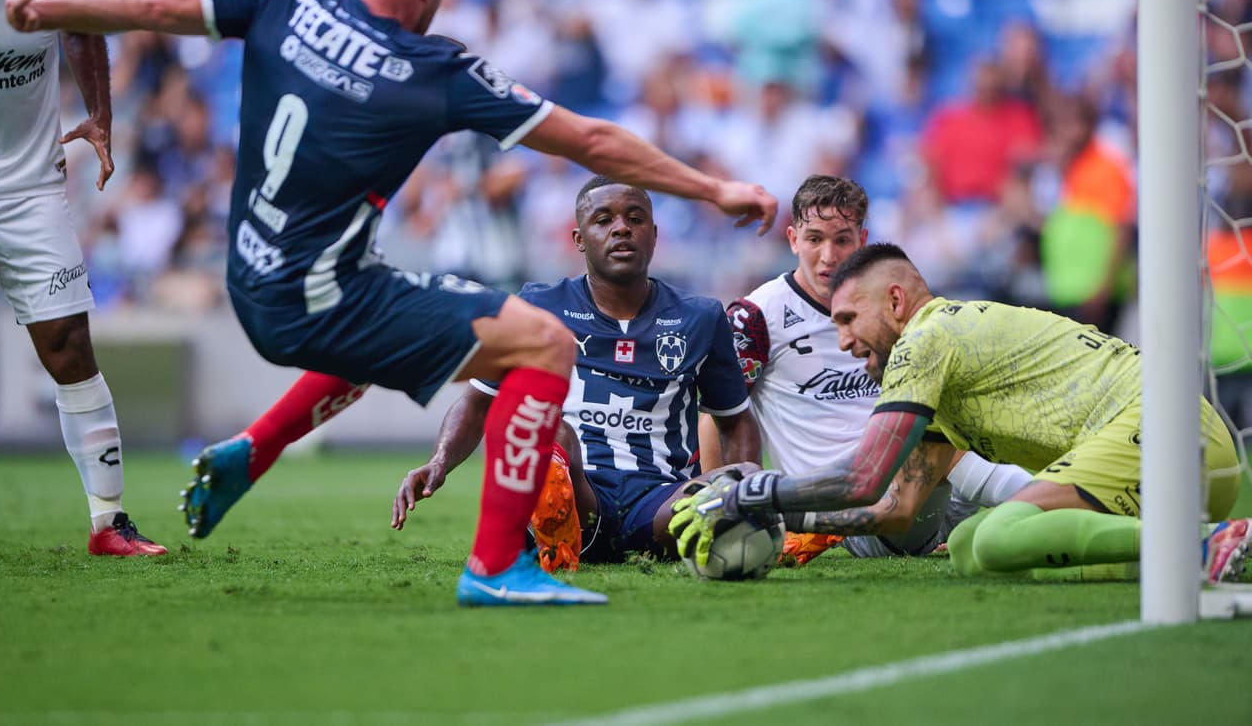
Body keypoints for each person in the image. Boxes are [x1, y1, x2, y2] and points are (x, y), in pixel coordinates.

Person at [4, 0, 777, 606]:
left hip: (250, 277)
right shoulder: (431, 69)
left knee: (405, 319)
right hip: (316, 289)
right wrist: (712, 188)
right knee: (543, 342)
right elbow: (594, 140)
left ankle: (255, 445)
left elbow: (150, 7)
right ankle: (496, 565)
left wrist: (48, 7)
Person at [672, 243, 1251, 584]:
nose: (843, 340)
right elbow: (895, 510)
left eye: (849, 319)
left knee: (1001, 532)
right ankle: (1190, 555)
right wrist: (790, 526)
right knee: (975, 547)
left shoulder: (927, 340)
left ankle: (1202, 542)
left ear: (896, 301)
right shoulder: (941, 373)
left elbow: (861, 479)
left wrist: (754, 495)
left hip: (1166, 432)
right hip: (1179, 458)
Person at [393, 176, 762, 570]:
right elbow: (479, 401)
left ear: (654, 236)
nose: (622, 228)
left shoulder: (700, 316)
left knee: (747, 474)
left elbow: (735, 421)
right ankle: (554, 532)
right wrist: (439, 460)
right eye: (603, 219)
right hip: (579, 491)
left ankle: (741, 526)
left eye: (635, 219)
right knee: (549, 428)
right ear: (579, 238)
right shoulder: (539, 306)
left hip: (661, 505)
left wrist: (738, 497)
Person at [0, 0, 164, 555]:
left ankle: (109, 523)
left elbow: (85, 27)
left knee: (71, 350)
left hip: (29, 188)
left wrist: (101, 117)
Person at [700, 176, 1031, 564]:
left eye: (841, 239)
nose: (828, 255)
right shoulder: (756, 316)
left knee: (961, 421)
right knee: (930, 436)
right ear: (792, 239)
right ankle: (1075, 503)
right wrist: (719, 506)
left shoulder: (890, 303)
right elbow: (718, 417)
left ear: (863, 240)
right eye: (814, 239)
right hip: (848, 516)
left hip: (930, 499)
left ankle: (1072, 501)